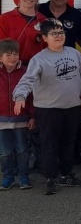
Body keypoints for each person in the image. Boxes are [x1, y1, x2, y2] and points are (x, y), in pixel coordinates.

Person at [13, 19, 81, 195]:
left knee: (68, 143)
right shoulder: (39, 59)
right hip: (48, 109)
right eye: (54, 33)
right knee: (49, 144)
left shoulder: (75, 54)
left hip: (72, 107)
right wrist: (20, 96)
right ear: (45, 38)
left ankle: (66, 174)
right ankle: (51, 177)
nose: (59, 36)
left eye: (61, 32)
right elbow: (27, 80)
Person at [0, 39, 33, 190]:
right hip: (1, 118)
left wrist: (33, 116)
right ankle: (8, 177)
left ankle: (24, 177)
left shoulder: (26, 71)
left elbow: (32, 96)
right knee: (5, 151)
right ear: (0, 57)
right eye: (8, 54)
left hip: (21, 117)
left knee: (22, 149)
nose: (13, 57)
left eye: (15, 54)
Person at [0, 0, 47, 64]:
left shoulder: (44, 20)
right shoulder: (4, 18)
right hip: (10, 68)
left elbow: (46, 48)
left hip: (36, 68)